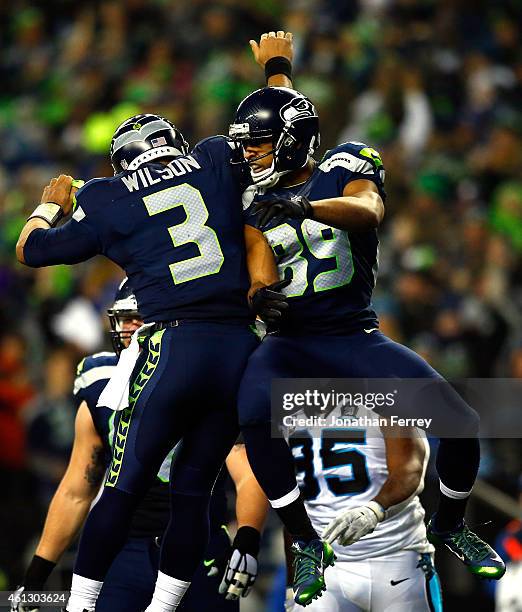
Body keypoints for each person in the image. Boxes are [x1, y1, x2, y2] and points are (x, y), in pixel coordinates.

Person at [16, 32, 337, 610]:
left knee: (123, 485)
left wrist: (50, 203)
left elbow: (32, 252)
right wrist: (277, 68)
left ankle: (82, 605)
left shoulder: (108, 196)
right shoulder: (215, 157)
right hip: (237, 346)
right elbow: (280, 129)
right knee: (192, 489)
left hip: (175, 343)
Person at [228, 79, 506, 597]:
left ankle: (450, 524)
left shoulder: (343, 167)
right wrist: (260, 297)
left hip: (352, 335)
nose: (249, 155)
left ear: (292, 141)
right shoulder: (250, 199)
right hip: (290, 341)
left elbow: (369, 210)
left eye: (259, 146)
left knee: (461, 421)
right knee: (250, 414)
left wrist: (306, 208)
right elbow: (257, 264)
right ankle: (305, 540)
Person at [11, 280, 268, 612]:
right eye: (124, 318)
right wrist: (37, 576)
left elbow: (246, 472)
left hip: (199, 547)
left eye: (140, 317)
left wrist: (248, 537)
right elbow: (77, 489)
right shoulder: (100, 382)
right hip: (123, 549)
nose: (131, 328)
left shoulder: (208, 378)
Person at [283, 413, 443, 611]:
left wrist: (374, 509)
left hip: (397, 557)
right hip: (323, 566)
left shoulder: (383, 395)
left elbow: (410, 468)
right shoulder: (288, 408)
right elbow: (290, 506)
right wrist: (291, 583)